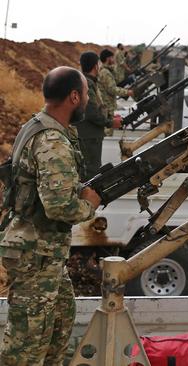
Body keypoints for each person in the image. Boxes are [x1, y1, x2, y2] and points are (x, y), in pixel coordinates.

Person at [0, 66, 101, 365]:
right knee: (26, 349)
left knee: (58, 328)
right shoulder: (53, 141)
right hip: (35, 255)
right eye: (84, 94)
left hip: (43, 253)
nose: (86, 100)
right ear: (73, 96)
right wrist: (89, 204)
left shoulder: (37, 126)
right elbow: (59, 206)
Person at [75, 51, 119, 181]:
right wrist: (110, 123)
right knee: (91, 171)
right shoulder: (87, 84)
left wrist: (110, 118)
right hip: (89, 137)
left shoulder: (86, 82)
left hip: (89, 135)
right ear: (96, 66)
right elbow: (92, 113)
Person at [98, 49, 133, 124]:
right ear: (108, 58)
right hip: (106, 106)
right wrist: (127, 92)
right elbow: (112, 89)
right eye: (112, 57)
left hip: (107, 105)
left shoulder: (107, 70)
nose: (114, 59)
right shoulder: (105, 72)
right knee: (107, 132)